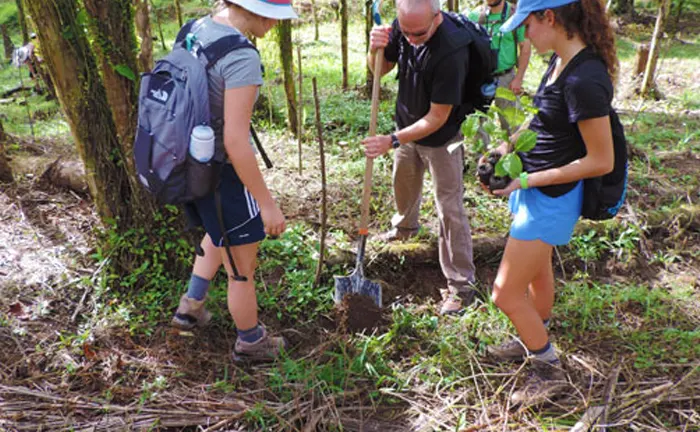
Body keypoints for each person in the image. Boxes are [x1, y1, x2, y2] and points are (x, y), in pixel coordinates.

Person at [484, 0, 618, 405]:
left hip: (552, 198)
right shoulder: (559, 63)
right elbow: (540, 120)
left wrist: (525, 179)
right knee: (537, 273)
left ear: (550, 17)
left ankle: (548, 368)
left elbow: (600, 161)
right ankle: (533, 335)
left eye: (527, 25)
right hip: (535, 190)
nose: (524, 36)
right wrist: (503, 150)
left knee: (504, 294)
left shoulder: (585, 80)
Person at [170, 0, 297, 362]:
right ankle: (251, 342)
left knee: (218, 232)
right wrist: (268, 205)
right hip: (223, 172)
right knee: (241, 269)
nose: (276, 25)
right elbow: (236, 143)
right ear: (253, 9)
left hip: (190, 162)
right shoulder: (241, 56)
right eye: (275, 16)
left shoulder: (195, 30)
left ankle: (190, 307)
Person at [362, 0, 478, 315]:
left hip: (443, 138)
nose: (411, 39)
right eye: (406, 32)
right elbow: (380, 71)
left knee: (449, 208)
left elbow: (438, 117)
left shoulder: (451, 51)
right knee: (404, 184)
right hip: (405, 126)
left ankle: (462, 285)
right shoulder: (406, 25)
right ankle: (404, 230)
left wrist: (393, 139)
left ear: (436, 18)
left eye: (419, 33)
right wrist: (377, 50)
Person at [466, 0, 532, 141]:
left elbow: (525, 48)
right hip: (481, 79)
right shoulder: (474, 16)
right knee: (478, 123)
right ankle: (481, 159)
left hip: (506, 77)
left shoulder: (515, 14)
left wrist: (518, 78)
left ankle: (515, 156)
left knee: (512, 123)